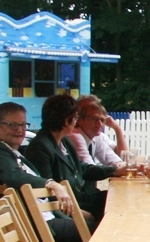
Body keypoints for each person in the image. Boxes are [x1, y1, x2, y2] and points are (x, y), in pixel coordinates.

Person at [0, 100, 82, 242]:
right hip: (38, 228)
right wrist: (51, 184)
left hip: (43, 219)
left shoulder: (11, 152)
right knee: (102, 230)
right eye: (12, 125)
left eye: (23, 125)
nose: (19, 130)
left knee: (97, 222)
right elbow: (15, 175)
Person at [23, 93, 114, 221]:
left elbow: (82, 169)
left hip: (80, 199)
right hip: (66, 209)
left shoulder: (65, 141)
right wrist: (77, 213)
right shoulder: (40, 147)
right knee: (107, 218)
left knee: (114, 199)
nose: (76, 122)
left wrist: (115, 171)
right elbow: (47, 193)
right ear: (66, 121)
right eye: (76, 117)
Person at [72, 95, 127, 166]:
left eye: (102, 120)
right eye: (94, 119)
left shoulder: (96, 136)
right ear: (79, 119)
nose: (99, 124)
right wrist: (117, 168)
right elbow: (89, 168)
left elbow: (116, 159)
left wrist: (127, 166)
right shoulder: (75, 135)